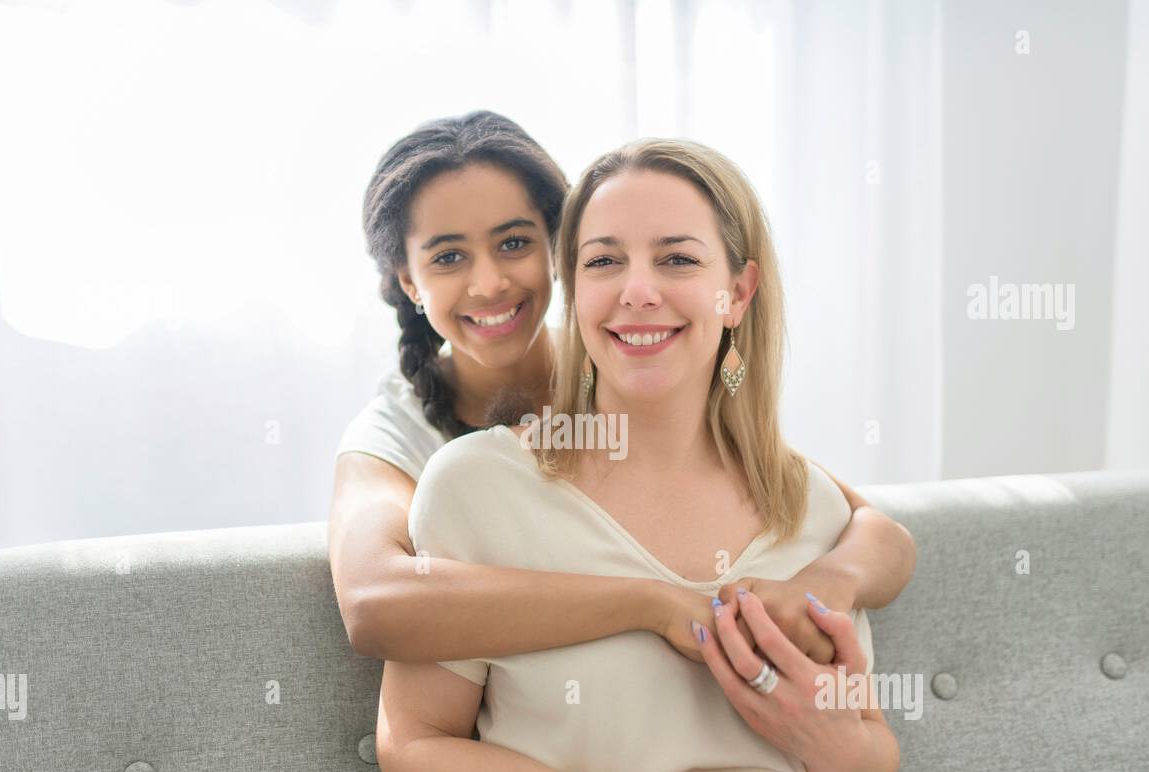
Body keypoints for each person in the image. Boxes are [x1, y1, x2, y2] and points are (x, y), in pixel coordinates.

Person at [375, 137, 905, 772]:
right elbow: (414, 758)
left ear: (739, 293)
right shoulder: (478, 487)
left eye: (678, 259)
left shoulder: (809, 507)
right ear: (573, 288)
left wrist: (834, 737)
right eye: (603, 261)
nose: (637, 290)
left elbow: (859, 768)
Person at [329, 111, 915, 675]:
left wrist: (831, 584)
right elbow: (373, 601)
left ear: (558, 254)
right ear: (410, 281)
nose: (489, 283)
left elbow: (871, 529)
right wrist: (649, 605)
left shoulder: (626, 364)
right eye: (449, 257)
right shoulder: (396, 434)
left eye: (513, 244)